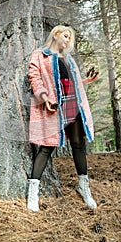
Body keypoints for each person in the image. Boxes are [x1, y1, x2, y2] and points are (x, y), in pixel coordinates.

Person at [27, 25, 99, 212]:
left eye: (70, 38)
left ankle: (84, 187)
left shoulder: (68, 59)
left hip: (73, 102)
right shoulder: (40, 55)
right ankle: (32, 193)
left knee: (78, 143)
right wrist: (44, 98)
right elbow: (34, 78)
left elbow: (70, 82)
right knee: (46, 146)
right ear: (56, 34)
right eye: (65, 36)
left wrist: (87, 81)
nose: (67, 40)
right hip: (54, 104)